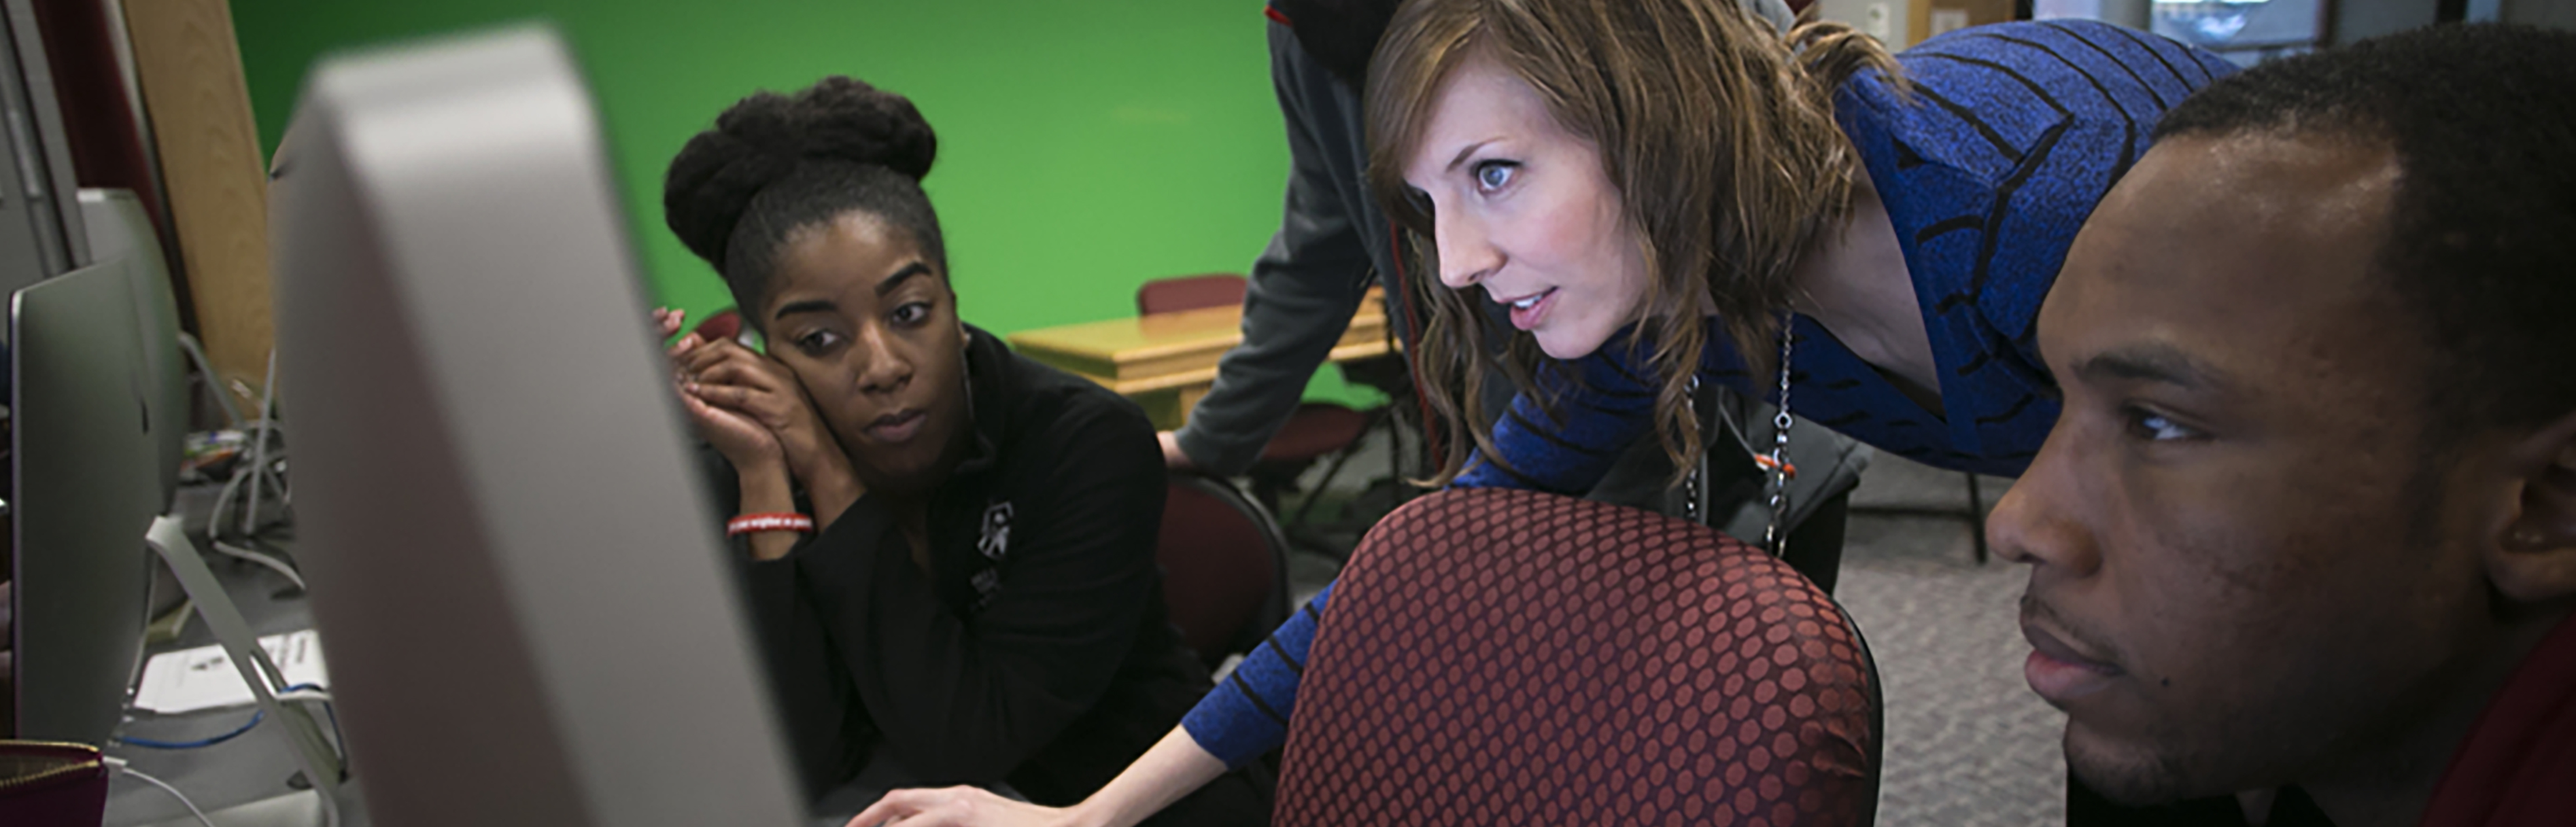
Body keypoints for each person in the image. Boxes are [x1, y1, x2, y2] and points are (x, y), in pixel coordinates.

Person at [855, 1, 2234, 823]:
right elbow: (1397, 580)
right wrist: (1089, 813)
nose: (1451, 260)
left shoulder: (2038, 207)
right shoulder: (1658, 303)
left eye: (1496, 174)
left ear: (1653, 120)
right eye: (1430, 200)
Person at [1989, 24, 2576, 827]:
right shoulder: (2248, 739)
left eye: (2159, 424)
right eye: (2060, 396)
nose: (2019, 522)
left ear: (2560, 500)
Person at [657, 76, 1268, 824]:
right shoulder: (749, 465)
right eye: (820, 339)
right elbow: (802, 764)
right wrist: (763, 479)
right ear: (762, 348)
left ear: (952, 299)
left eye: (910, 312)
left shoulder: (1082, 440)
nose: (881, 365)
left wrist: (828, 472)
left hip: (1119, 801)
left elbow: (974, 738)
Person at [1185, 0, 1870, 591]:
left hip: (1740, 454)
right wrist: (1213, 438)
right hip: (1517, 462)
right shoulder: (1306, 29)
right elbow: (1317, 248)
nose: (1454, 265)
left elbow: (1787, 167)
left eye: (1492, 173)